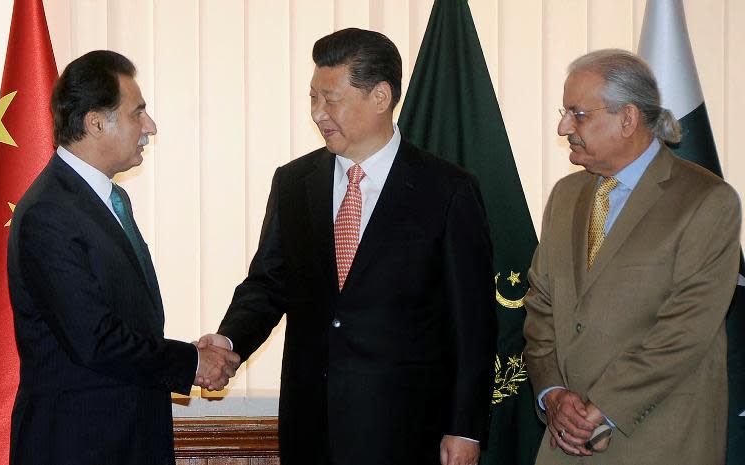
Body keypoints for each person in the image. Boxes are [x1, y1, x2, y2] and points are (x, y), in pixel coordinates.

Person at [196, 28, 496, 465]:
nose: (318, 113)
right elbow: (269, 283)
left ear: (380, 97)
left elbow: (474, 325)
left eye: (330, 99)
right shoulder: (295, 182)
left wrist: (465, 428)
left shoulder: (447, 191)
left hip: (408, 431)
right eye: (312, 98)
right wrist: (228, 341)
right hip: (311, 427)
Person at [7, 50, 239, 465]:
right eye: (138, 114)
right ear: (96, 122)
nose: (150, 127)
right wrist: (192, 362)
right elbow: (95, 339)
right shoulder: (49, 213)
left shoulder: (111, 200)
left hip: (129, 438)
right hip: (79, 446)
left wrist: (188, 357)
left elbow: (127, 321)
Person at [523, 49, 741, 464]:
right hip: (564, 442)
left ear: (627, 119)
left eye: (578, 114)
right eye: (564, 112)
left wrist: (600, 408)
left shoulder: (706, 201)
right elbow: (540, 306)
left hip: (658, 440)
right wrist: (552, 394)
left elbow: (685, 329)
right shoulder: (566, 197)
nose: (563, 126)